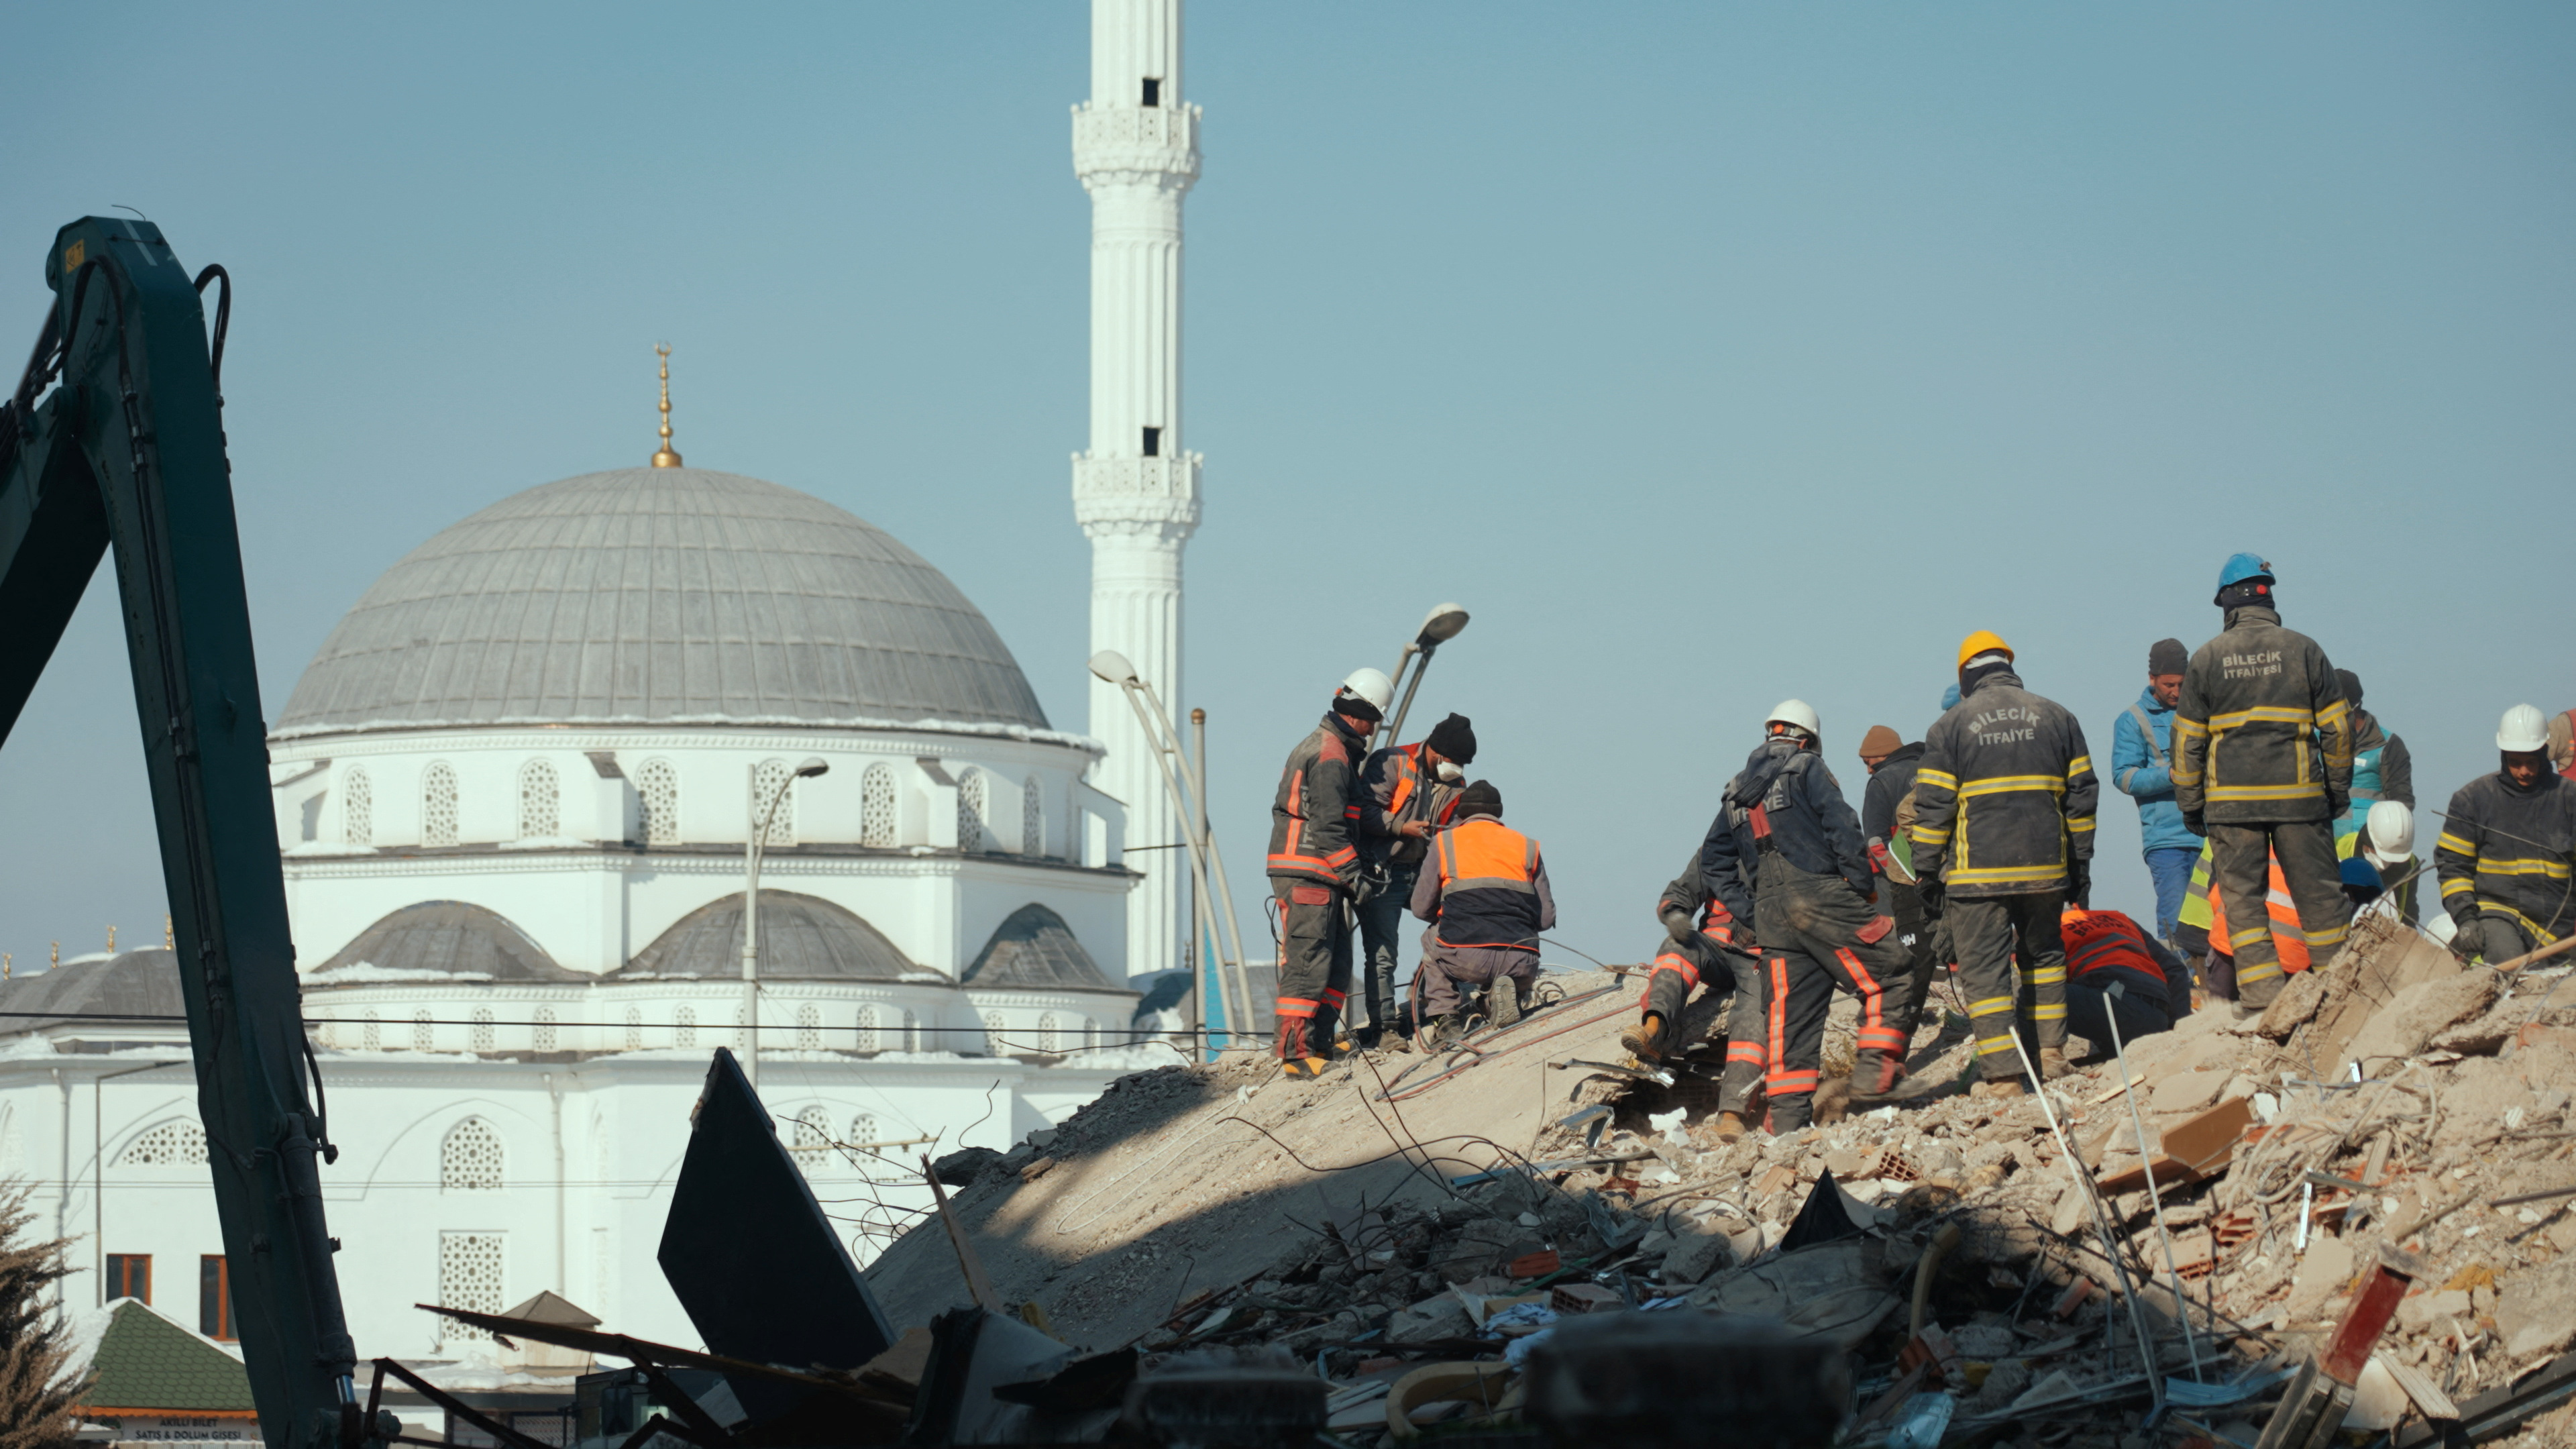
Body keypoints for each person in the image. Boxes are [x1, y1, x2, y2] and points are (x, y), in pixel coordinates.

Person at [1701, 701, 1915, 1132]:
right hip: (1821, 897)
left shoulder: (1734, 789)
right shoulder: (1807, 768)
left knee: (1789, 1020)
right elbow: (1842, 825)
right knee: (1893, 973)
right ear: (1808, 739)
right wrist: (1858, 886)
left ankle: (1787, 1124)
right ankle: (1874, 1076)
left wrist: (1749, 911)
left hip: (1772, 918)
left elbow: (1713, 861)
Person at [1910, 630, 2098, 1095]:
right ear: (2009, 667)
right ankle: (2052, 1054)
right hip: (2045, 868)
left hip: (1979, 876)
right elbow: (2082, 799)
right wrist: (2080, 866)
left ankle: (2005, 1076)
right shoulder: (2057, 716)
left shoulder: (1950, 726)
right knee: (2046, 958)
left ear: (1966, 676)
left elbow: (1934, 809)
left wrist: (1926, 871)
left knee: (1985, 970)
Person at [2171, 553, 2353, 1014]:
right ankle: (2340, 1000)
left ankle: (2260, 1001)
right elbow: (2338, 729)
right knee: (2321, 902)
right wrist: (2336, 789)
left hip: (2233, 807)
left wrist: (2192, 804)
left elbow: (2187, 741)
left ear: (2227, 604)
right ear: (2268, 595)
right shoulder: (2305, 650)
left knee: (2243, 905)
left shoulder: (2208, 658)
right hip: (2300, 799)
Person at [1264, 667, 1394, 1075]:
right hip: (1308, 873)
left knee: (1335, 963)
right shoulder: (1331, 756)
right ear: (1358, 713)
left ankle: (1319, 1043)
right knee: (1308, 961)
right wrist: (1356, 875)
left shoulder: (1335, 750)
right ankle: (1294, 1054)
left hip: (1321, 875)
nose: (1373, 730)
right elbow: (1328, 827)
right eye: (1373, 720)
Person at [1621, 851, 1766, 1138]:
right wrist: (1675, 914)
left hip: (1761, 960)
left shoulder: (1794, 853)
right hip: (1715, 950)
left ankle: (1732, 1113)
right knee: (1677, 947)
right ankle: (1653, 1030)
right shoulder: (1720, 848)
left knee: (1754, 1016)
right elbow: (1681, 891)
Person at [1352, 713, 1474, 1050]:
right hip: (1383, 870)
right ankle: (1385, 1027)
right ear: (1437, 752)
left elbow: (1456, 832)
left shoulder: (1456, 786)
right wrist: (1400, 827)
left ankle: (1442, 1011)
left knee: (1449, 933)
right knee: (1382, 952)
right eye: (1456, 762)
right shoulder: (1392, 762)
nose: (1459, 770)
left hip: (1422, 872)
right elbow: (1363, 810)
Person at [1408, 780, 1553, 1047]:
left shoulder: (1445, 842)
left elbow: (1419, 908)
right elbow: (1546, 919)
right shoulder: (1528, 845)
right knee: (1510, 962)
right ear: (1498, 814)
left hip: (1466, 957)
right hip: (1522, 960)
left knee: (1431, 939)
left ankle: (1445, 1020)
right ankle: (1496, 1000)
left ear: (1461, 814)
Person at [2435, 705, 2576, 967]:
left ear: (2545, 754)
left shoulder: (2569, 799)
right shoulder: (2472, 801)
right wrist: (2466, 918)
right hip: (2499, 916)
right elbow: (2454, 868)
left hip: (2560, 930)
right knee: (2507, 962)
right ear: (2503, 756)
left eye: (2531, 762)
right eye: (2515, 763)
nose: (2524, 771)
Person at [1858, 724, 1939, 1047]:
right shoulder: (1931, 767)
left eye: (1870, 763)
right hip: (1944, 874)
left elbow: (1877, 841)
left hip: (1904, 883)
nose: (1867, 770)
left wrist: (1902, 872)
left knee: (1909, 956)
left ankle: (1895, 1039)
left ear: (1884, 757)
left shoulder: (1883, 781)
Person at [2112, 638, 2198, 945]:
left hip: (2213, 838)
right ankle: (2181, 987)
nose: (2176, 692)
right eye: (2168, 685)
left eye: (2182, 684)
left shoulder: (2203, 713)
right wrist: (2172, 775)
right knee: (2175, 921)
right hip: (2167, 841)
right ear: (2152, 680)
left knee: (2220, 923)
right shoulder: (2133, 720)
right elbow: (2124, 777)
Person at [2059, 905, 2193, 1053]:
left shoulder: (2051, 929)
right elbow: (2174, 969)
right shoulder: (2118, 918)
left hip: (2115, 1007)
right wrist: (2176, 1029)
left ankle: (2041, 1062)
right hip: (2156, 1015)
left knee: (2036, 993)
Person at [2335, 669, 2415, 847]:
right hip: (2321, 850)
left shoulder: (2388, 745)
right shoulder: (2313, 741)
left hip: (2368, 851)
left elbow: (2401, 805)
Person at [2351, 802, 2422, 927]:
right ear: (2368, 841)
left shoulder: (2411, 864)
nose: (2386, 864)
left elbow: (2409, 912)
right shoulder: (2339, 851)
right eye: (2382, 855)